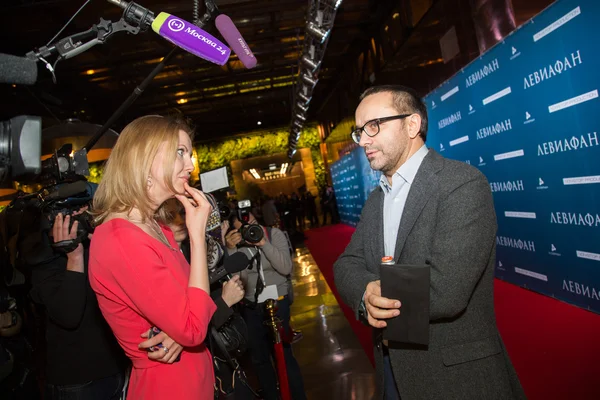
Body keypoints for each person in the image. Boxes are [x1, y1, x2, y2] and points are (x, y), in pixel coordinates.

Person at [333, 85, 525, 400]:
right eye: (359, 131)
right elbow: (346, 264)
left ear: (412, 124)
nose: (364, 140)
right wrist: (366, 292)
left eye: (373, 126)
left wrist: (379, 295)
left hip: (455, 379)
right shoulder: (375, 201)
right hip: (391, 373)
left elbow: (448, 289)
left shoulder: (461, 184)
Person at [88, 115, 217, 399]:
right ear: (144, 159)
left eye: (190, 154)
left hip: (191, 377)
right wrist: (197, 237)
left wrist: (178, 331)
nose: (190, 165)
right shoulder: (121, 240)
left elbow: (189, 310)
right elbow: (194, 327)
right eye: (179, 152)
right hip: (170, 386)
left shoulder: (157, 229)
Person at [30, 208, 127, 399]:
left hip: (117, 367)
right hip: (79, 381)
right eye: (69, 217)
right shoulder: (44, 262)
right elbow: (69, 315)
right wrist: (74, 256)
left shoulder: (96, 244)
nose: (77, 221)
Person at [223, 212, 306, 400]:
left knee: (284, 356)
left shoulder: (272, 234)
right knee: (259, 359)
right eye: (242, 226)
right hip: (251, 305)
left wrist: (263, 243)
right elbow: (238, 279)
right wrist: (231, 250)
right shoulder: (237, 245)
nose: (248, 227)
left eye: (250, 220)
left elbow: (286, 268)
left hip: (278, 301)